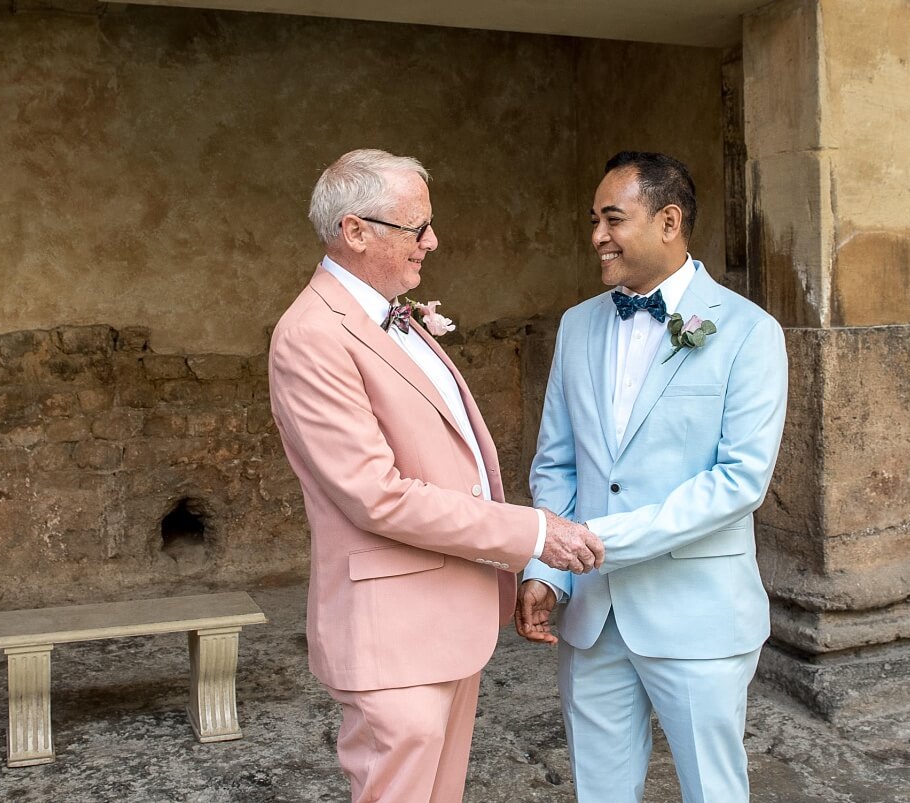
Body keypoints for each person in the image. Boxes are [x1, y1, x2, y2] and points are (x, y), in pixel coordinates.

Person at [268, 148, 604, 803]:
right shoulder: (311, 334)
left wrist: (501, 571)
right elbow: (378, 496)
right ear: (354, 231)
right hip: (391, 629)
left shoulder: (399, 316)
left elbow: (456, 461)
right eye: (415, 227)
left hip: (447, 616)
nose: (433, 240)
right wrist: (532, 532)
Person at [516, 151, 788, 803]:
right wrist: (547, 569)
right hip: (592, 615)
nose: (596, 236)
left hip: (698, 613)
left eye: (613, 218)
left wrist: (600, 539)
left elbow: (739, 480)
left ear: (669, 221)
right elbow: (556, 462)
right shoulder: (577, 326)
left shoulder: (749, 332)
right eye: (593, 220)